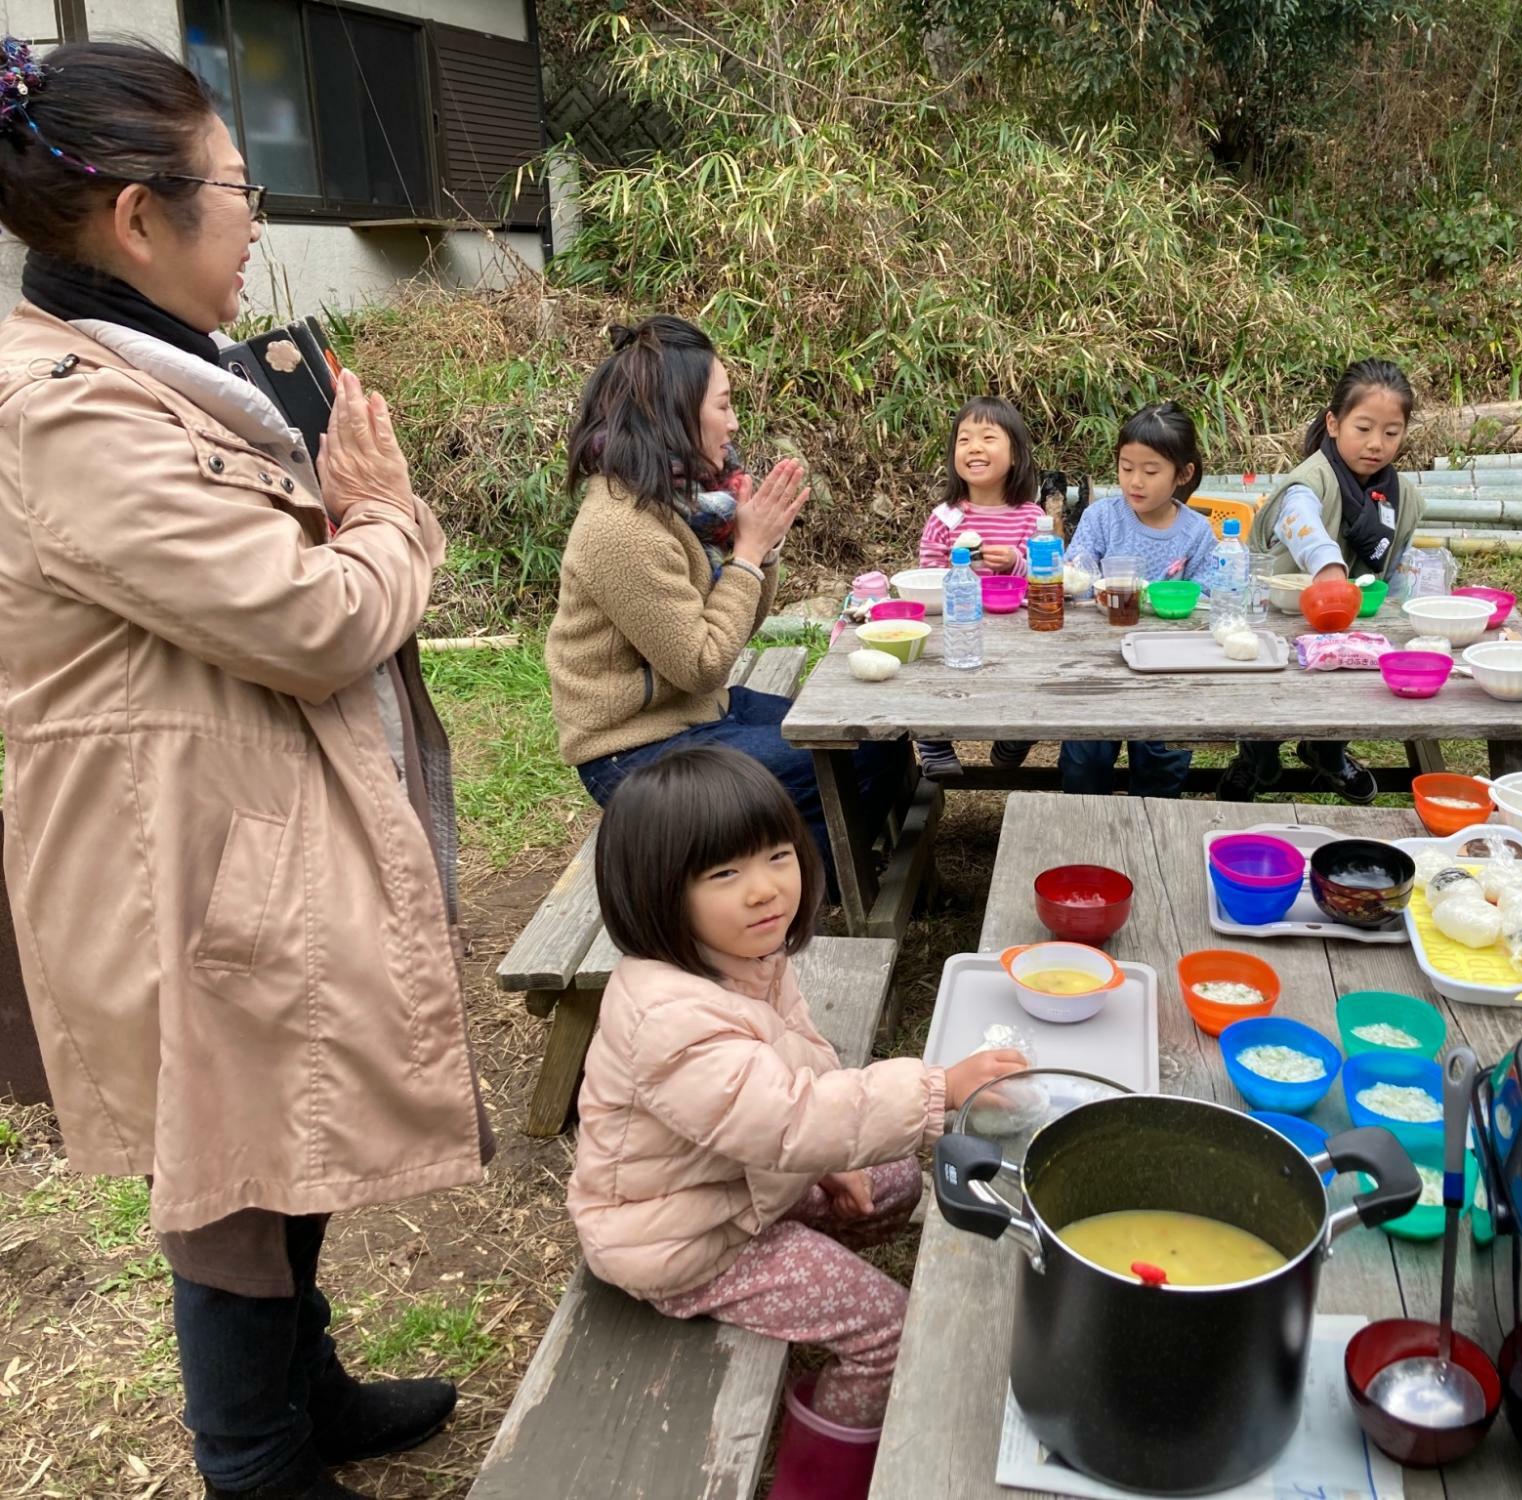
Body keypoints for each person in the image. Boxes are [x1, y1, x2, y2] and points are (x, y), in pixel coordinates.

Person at [0, 38, 488, 1500]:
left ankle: (313, 1394)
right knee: (225, 1181)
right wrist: (389, 515)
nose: (258, 215)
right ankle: (258, 1465)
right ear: (140, 217)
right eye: (237, 182)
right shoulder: (64, 414)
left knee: (283, 1149)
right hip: (174, 861)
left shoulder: (156, 369)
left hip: (241, 831)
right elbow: (313, 618)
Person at [567, 747, 1026, 1498]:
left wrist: (826, 1158)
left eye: (778, 856)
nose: (764, 890)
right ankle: (820, 1476)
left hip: (738, 1181)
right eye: (723, 875)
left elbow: (796, 1073)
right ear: (656, 892)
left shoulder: (736, 955)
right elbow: (784, 1120)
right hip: (686, 1242)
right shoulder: (669, 1018)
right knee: (891, 1328)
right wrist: (937, 1089)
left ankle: (810, 1258)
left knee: (890, 1179)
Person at [545, 315, 902, 873]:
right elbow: (702, 663)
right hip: (634, 753)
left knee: (869, 732)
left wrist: (763, 547)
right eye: (723, 405)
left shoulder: (682, 499)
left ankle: (803, 863)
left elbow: (735, 626)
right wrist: (747, 553)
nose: (734, 424)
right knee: (861, 756)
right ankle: (804, 885)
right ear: (675, 415)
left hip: (696, 715)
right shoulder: (621, 527)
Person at [1221, 360, 1424, 803]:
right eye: (1364, 428)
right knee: (1270, 689)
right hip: (1281, 617)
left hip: (1354, 622)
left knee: (1351, 680)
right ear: (1334, 423)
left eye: (1391, 433)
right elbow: (1302, 524)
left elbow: (1397, 566)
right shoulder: (1308, 481)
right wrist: (1330, 571)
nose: (1376, 444)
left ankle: (1327, 751)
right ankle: (1257, 757)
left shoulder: (1404, 496)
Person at [1060, 402, 1218, 797]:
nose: (1135, 481)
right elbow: (1077, 570)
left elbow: (1210, 593)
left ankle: (1152, 834)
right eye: (1126, 467)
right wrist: (1086, 581)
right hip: (1098, 664)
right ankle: (1086, 830)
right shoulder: (1102, 517)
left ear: (1183, 474)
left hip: (1169, 667)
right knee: (1085, 758)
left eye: (1150, 471)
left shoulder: (1196, 532)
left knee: (1161, 761)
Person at [913, 396, 1047, 781]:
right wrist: (957, 571)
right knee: (927, 658)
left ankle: (1017, 735)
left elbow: (1045, 578)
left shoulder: (1030, 516)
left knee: (1039, 665)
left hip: (1014, 625)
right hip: (958, 624)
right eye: (964, 439)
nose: (974, 447)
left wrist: (1015, 564)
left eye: (988, 437)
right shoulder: (945, 518)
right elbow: (929, 575)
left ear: (1016, 455)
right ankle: (933, 742)